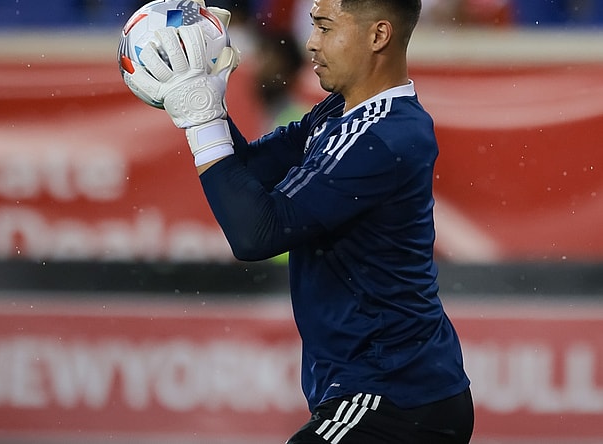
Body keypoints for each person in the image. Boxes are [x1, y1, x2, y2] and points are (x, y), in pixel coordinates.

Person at [123, 0, 474, 442]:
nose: (311, 43)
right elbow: (248, 171)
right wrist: (203, 97)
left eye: (325, 27)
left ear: (378, 36)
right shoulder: (339, 113)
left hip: (395, 396)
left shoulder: (384, 135)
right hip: (392, 390)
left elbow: (257, 234)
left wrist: (202, 116)